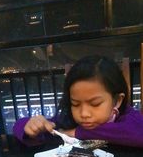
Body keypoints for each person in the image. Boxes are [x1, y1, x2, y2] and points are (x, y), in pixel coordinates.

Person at [13, 55, 143, 148]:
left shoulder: (129, 117)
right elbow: (19, 127)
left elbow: (137, 133)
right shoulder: (68, 119)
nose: (84, 113)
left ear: (117, 100)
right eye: (75, 103)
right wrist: (31, 127)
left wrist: (78, 132)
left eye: (95, 104)